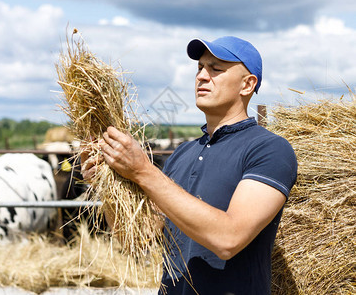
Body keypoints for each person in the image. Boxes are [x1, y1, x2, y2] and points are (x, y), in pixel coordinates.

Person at [82, 36, 297, 295]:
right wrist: (107, 183)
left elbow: (229, 239)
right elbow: (137, 240)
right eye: (199, 68)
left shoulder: (269, 149)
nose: (202, 76)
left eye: (216, 69)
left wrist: (142, 170)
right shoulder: (182, 153)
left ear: (247, 84)